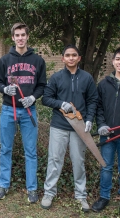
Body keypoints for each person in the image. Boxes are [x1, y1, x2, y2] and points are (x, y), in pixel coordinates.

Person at [40, 45, 98, 212]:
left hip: (79, 127)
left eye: (74, 55)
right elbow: (46, 99)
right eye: (68, 55)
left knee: (78, 162)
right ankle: (49, 192)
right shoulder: (57, 77)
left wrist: (89, 119)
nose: (71, 58)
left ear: (79, 58)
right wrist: (60, 104)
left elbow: (93, 100)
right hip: (59, 125)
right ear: (62, 58)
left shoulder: (87, 78)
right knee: (54, 160)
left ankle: (81, 195)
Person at [0, 23, 47, 203]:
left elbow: (41, 86)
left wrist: (33, 98)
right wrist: (5, 89)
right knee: (5, 149)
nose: (20, 38)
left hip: (28, 110)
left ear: (27, 36)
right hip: (9, 110)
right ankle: (3, 185)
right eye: (17, 35)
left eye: (23, 35)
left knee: (30, 151)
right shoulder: (4, 60)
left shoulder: (38, 60)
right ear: (13, 38)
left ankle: (32, 188)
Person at [91, 48, 120, 212]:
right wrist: (101, 124)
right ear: (113, 61)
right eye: (118, 59)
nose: (119, 62)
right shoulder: (104, 84)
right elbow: (98, 107)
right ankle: (104, 197)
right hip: (108, 133)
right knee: (106, 166)